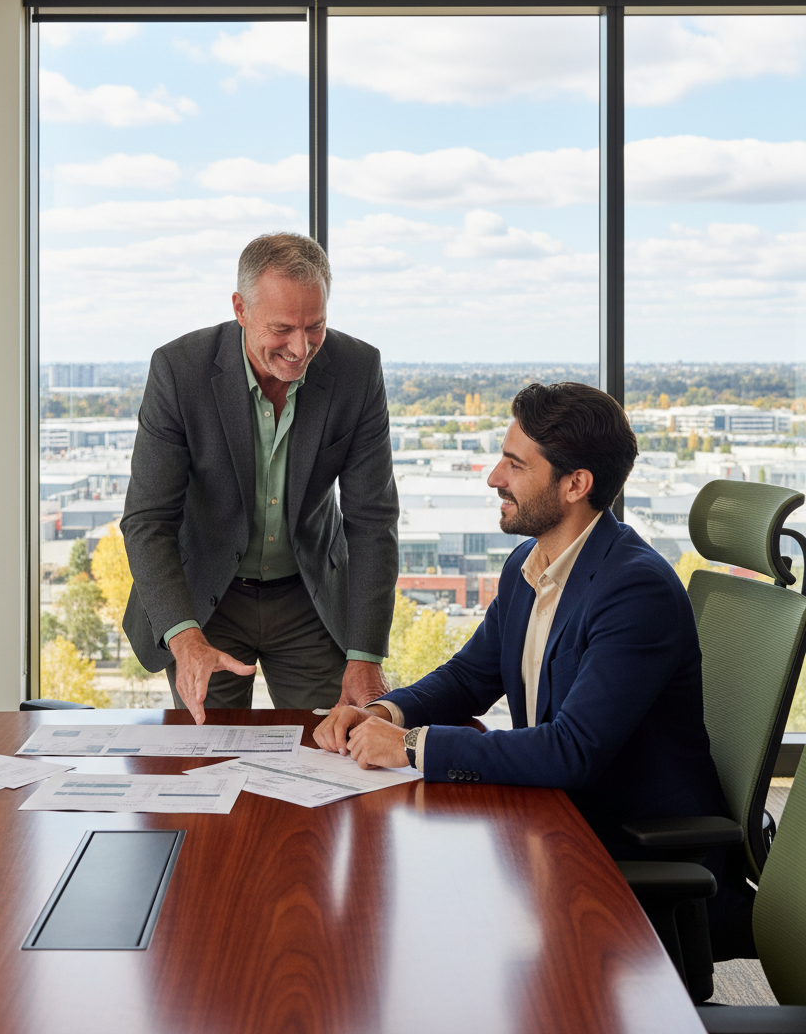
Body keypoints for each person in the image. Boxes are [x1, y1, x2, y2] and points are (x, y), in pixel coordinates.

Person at [314, 381, 731, 860]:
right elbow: (469, 678)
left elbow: (571, 751)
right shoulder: (526, 566)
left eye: (516, 464)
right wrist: (383, 714)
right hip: (549, 825)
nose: (494, 477)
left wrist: (409, 746)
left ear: (576, 484)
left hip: (623, 853)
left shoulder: (636, 591)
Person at [121, 232, 399, 723]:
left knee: (333, 746)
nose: (300, 347)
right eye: (282, 328)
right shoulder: (179, 370)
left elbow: (373, 522)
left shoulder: (357, 370)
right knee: (209, 760)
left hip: (307, 596)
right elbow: (148, 520)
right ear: (240, 308)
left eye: (315, 326)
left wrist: (365, 655)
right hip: (206, 600)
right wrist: (184, 638)